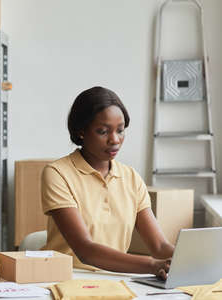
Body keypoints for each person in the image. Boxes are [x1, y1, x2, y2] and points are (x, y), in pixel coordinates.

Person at [41, 86, 174, 279]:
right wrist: (153, 265)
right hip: (67, 279)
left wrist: (191, 261)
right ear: (81, 132)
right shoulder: (58, 173)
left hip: (115, 279)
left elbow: (159, 246)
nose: (115, 140)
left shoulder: (131, 178)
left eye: (120, 131)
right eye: (103, 131)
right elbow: (86, 250)